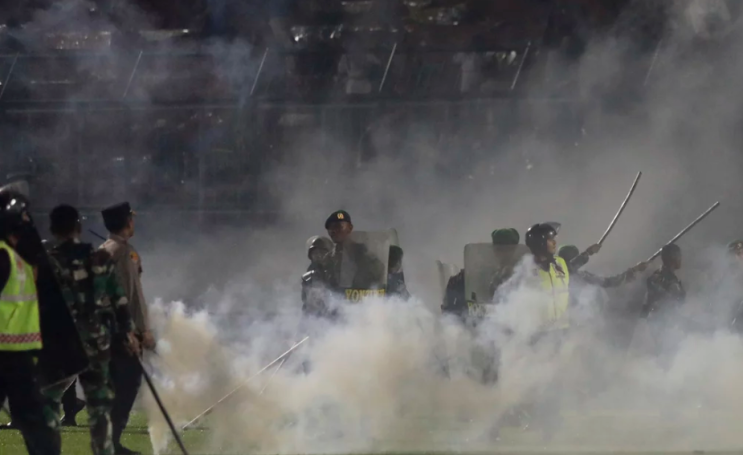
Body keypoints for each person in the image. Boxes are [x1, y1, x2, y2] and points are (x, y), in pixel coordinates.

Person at [44, 205, 139, 455]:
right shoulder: (99, 260)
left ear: (54, 229)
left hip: (62, 344)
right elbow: (119, 302)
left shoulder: (48, 263)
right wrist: (128, 333)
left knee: (48, 399)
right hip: (96, 344)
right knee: (100, 410)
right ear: (77, 228)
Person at [0, 191, 61, 455]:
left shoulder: (17, 258)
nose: (27, 221)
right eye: (23, 216)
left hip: (18, 358)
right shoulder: (2, 257)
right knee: (38, 424)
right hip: (6, 357)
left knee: (38, 424)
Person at [99, 202, 153, 455]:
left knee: (120, 386)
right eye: (131, 218)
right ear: (127, 221)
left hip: (116, 331)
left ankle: (110, 442)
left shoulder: (112, 250)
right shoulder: (121, 253)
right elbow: (129, 297)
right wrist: (137, 330)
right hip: (123, 333)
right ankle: (111, 443)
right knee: (126, 384)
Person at [324, 210, 385, 291]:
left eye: (338, 226)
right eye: (330, 228)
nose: (333, 231)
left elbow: (380, 276)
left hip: (363, 301)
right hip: (335, 301)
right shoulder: (328, 259)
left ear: (350, 228)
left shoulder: (364, 254)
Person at [558, 245, 647, 289]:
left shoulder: (583, 276)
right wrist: (587, 253)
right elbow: (568, 269)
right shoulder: (556, 276)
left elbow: (607, 282)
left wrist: (633, 270)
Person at [643, 244, 685, 318]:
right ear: (673, 258)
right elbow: (674, 307)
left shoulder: (655, 276)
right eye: (679, 256)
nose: (680, 259)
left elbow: (647, 302)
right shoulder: (671, 281)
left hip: (653, 319)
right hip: (663, 321)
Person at [301, 235, 335, 318]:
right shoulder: (308, 277)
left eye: (321, 252)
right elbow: (306, 301)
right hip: (316, 316)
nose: (318, 255)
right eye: (315, 253)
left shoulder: (338, 272)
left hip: (336, 312)